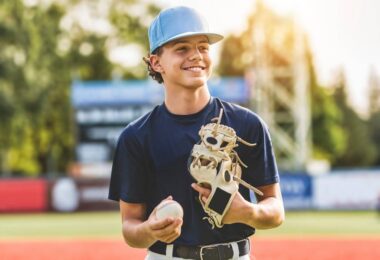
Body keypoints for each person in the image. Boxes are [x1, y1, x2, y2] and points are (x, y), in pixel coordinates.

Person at [108, 6, 285, 260]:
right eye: (182, 48)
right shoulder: (136, 137)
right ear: (156, 62)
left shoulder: (247, 125)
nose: (196, 56)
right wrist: (149, 230)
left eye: (203, 47)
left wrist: (247, 212)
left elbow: (275, 209)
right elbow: (130, 227)